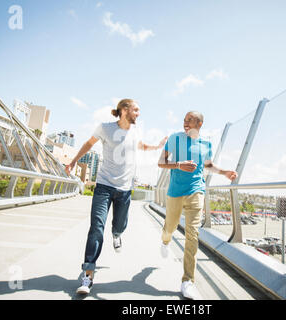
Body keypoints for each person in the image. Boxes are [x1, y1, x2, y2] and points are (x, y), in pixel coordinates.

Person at [65, 99, 167, 295]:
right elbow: (89, 143)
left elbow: (141, 146)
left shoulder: (135, 131)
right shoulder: (105, 128)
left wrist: (156, 147)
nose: (138, 114)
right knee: (96, 227)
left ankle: (117, 234)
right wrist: (73, 161)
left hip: (125, 189)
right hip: (103, 185)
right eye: (136, 110)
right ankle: (88, 276)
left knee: (120, 225)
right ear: (124, 110)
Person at [158, 111, 237, 300]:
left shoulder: (206, 144)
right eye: (184, 120)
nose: (185, 123)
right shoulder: (174, 139)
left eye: (189, 121)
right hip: (175, 192)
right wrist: (178, 165)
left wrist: (224, 171)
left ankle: (188, 281)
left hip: (196, 191)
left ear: (199, 124)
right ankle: (165, 240)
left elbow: (208, 166)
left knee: (192, 234)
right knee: (170, 226)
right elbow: (161, 162)